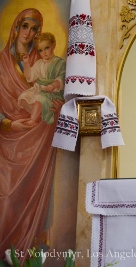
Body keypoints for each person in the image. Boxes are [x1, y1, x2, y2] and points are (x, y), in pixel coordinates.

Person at [0, 8, 62, 262]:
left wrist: (55, 104)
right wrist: (8, 124)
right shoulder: (2, 63)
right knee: (6, 195)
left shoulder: (46, 62)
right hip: (8, 141)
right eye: (25, 26)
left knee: (33, 195)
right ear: (15, 27)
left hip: (39, 140)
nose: (29, 33)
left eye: (35, 29)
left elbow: (58, 97)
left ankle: (28, 251)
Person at [18, 32, 66, 126]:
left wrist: (52, 85)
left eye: (47, 48)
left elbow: (61, 78)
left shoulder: (60, 63)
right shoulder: (39, 63)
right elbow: (29, 76)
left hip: (53, 92)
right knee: (23, 98)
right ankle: (40, 113)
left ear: (53, 45)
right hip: (40, 89)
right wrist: (26, 63)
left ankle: (33, 120)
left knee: (38, 100)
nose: (44, 52)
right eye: (40, 50)